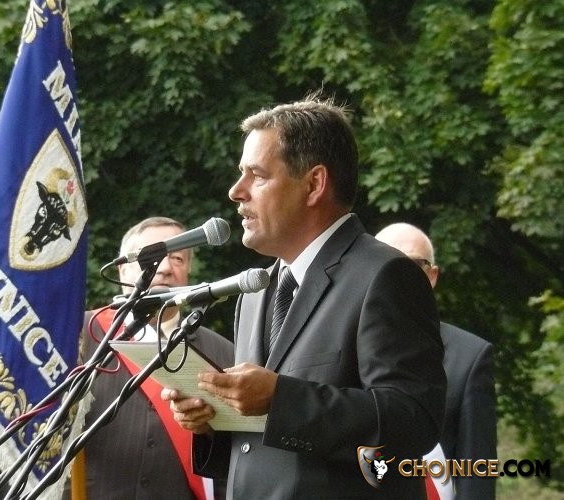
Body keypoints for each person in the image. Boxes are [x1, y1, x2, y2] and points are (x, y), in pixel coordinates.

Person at [162, 95, 446, 498]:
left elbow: (413, 421)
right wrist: (212, 422)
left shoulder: (386, 275)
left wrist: (282, 398)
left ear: (314, 184)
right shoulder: (256, 290)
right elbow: (262, 447)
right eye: (241, 175)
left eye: (257, 176)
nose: (236, 191)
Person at [73, 217, 233, 499]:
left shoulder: (224, 354)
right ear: (122, 270)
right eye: (152, 257)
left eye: (178, 259)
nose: (167, 268)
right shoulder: (79, 335)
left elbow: (238, 451)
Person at [375, 222, 497, 499]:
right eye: (386, 262)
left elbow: (476, 476)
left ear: (431, 276)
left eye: (413, 265)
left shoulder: (470, 357)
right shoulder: (336, 344)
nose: (398, 274)